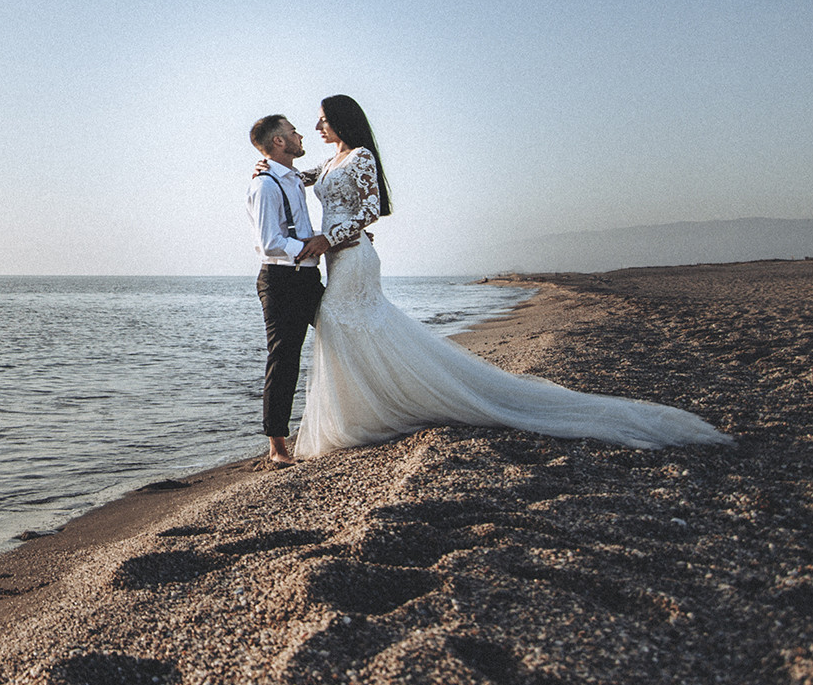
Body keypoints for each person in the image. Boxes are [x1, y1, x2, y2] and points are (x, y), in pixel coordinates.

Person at [266, 95, 729, 457]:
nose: (317, 125)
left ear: (342, 120)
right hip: (337, 257)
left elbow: (370, 211)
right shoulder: (327, 164)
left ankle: (378, 407)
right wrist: (269, 167)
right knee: (344, 326)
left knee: (341, 321)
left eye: (323, 118)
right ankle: (371, 405)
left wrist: (331, 238)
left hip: (353, 256)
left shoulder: (362, 157)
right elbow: (297, 179)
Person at [246, 114, 332, 468]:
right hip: (281, 280)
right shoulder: (265, 185)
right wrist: (315, 245)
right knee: (284, 358)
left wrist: (334, 239)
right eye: (293, 132)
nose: (300, 135)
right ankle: (277, 447)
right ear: (279, 141)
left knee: (343, 331)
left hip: (307, 279)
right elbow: (270, 242)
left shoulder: (294, 177)